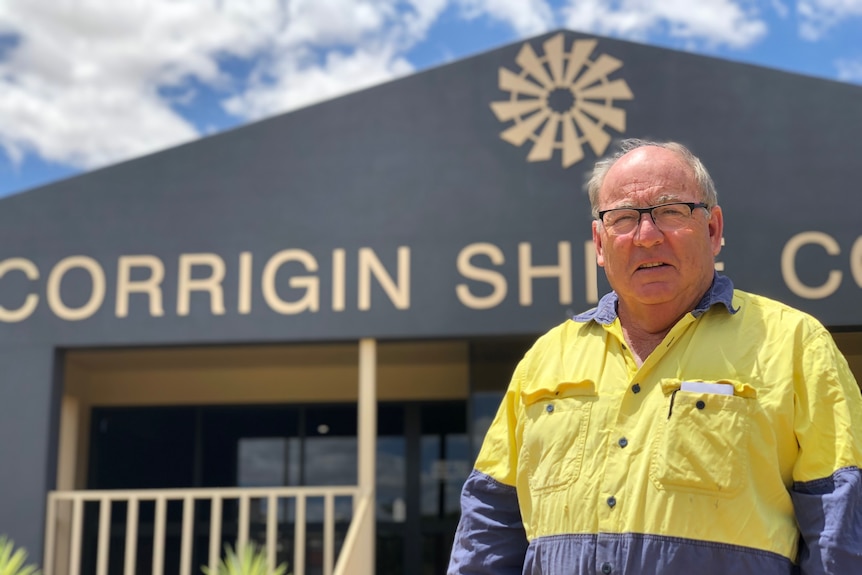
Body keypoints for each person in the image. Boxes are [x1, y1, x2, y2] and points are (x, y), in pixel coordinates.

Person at [447, 138, 862, 574]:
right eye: (623, 218)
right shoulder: (544, 360)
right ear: (600, 243)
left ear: (713, 229)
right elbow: (489, 525)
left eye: (671, 211)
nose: (647, 237)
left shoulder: (795, 344)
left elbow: (841, 529)